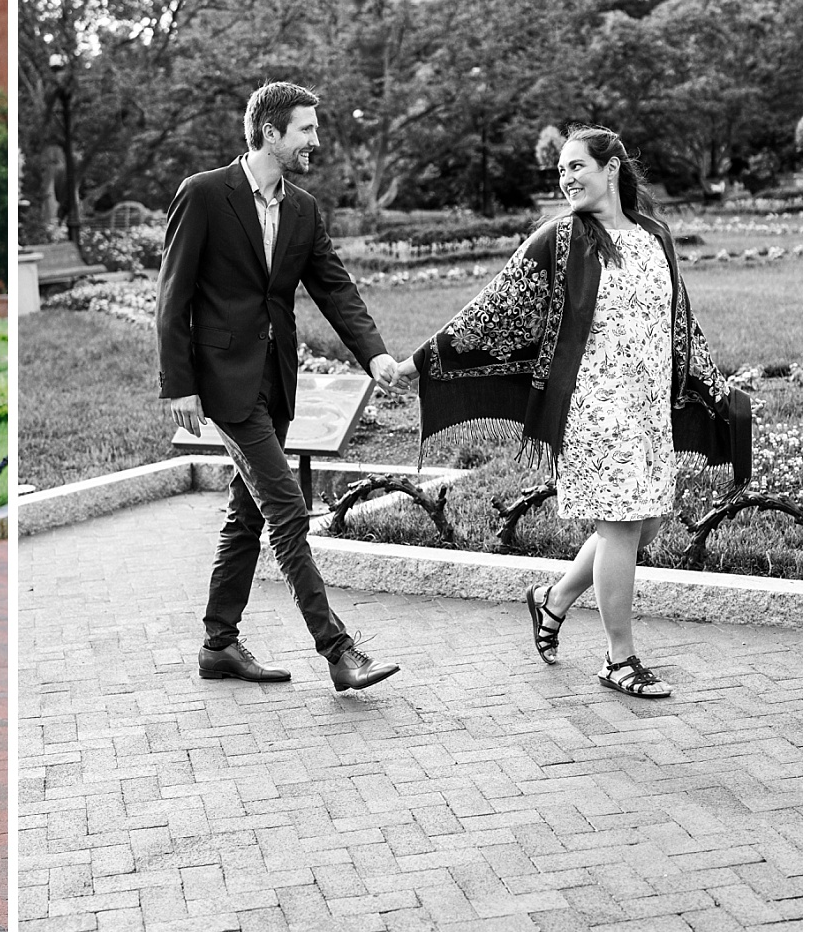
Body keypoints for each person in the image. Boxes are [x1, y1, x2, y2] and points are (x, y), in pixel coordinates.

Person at [395, 125, 749, 698]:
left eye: (577, 166)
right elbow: (493, 309)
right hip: (595, 408)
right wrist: (417, 363)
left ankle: (554, 599)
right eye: (560, 170)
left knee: (643, 525)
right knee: (621, 524)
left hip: (647, 407)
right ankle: (619, 659)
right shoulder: (561, 239)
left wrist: (715, 387)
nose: (566, 179)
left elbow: (679, 320)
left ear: (611, 168)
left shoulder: (654, 236)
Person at [158, 80, 402, 692]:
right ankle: (339, 651)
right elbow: (173, 297)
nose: (315, 140)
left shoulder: (303, 209)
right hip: (224, 385)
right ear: (271, 132)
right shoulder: (206, 194)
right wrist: (179, 386)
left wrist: (374, 355)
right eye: (306, 129)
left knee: (248, 515)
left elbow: (335, 288)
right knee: (288, 507)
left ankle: (219, 645)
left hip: (277, 383)